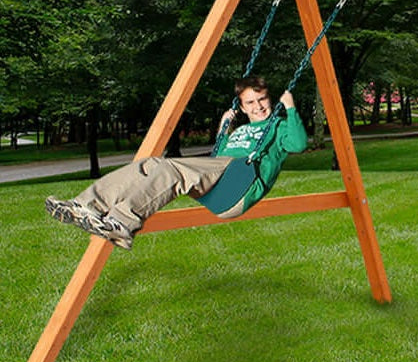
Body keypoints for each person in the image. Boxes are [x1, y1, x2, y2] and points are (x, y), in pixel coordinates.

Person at [46, 76, 308, 250]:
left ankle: (121, 223)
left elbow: (298, 145)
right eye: (250, 102)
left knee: (171, 169)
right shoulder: (238, 131)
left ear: (270, 100)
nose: (258, 106)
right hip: (221, 183)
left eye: (262, 100)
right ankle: (86, 205)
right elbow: (216, 161)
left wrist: (290, 108)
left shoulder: (279, 126)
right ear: (242, 107)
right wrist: (223, 129)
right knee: (152, 165)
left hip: (242, 183)